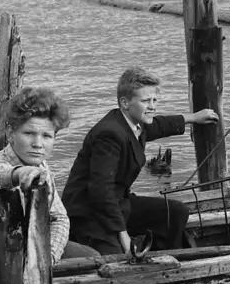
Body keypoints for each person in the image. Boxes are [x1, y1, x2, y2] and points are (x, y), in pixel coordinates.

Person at [62, 67, 218, 255]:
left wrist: (193, 118)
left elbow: (160, 126)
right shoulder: (109, 134)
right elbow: (100, 192)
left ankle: (162, 259)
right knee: (117, 258)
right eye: (145, 101)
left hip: (117, 204)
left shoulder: (134, 123)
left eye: (154, 100)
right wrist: (122, 234)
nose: (152, 106)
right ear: (125, 103)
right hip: (90, 214)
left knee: (176, 212)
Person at [0, 86, 100, 270]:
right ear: (11, 134)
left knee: (92, 258)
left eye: (47, 136)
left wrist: (48, 256)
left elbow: (59, 218)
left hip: (17, 247)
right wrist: (19, 174)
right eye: (29, 133)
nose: (38, 144)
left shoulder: (40, 166)